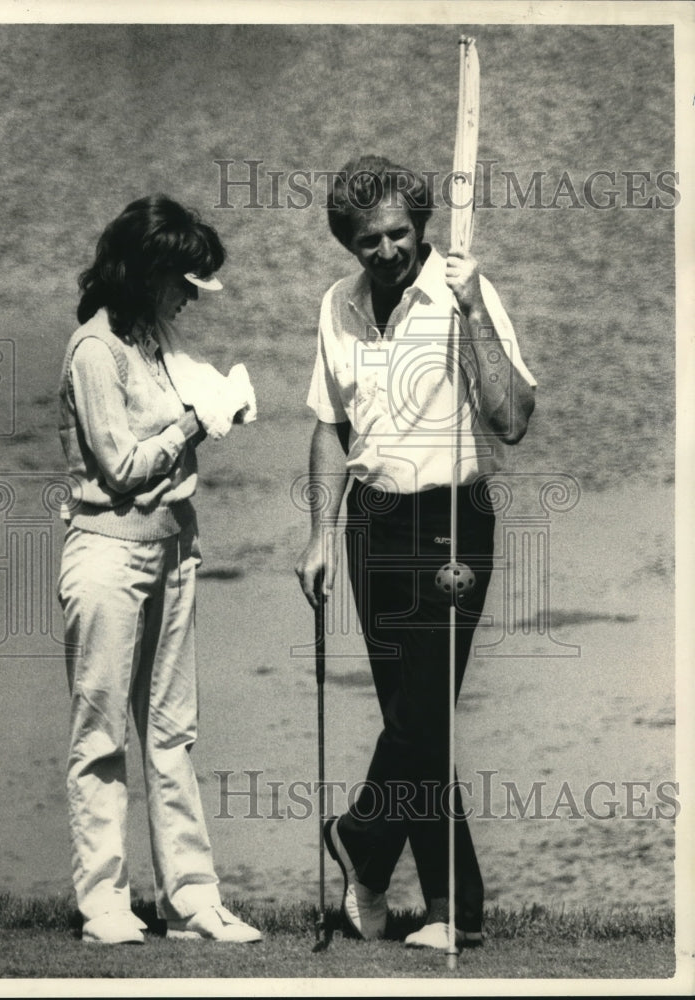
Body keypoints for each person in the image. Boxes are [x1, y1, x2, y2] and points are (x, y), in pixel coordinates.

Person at [295, 155, 537, 950]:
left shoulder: (465, 290)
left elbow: (512, 418)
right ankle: (451, 911)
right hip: (371, 524)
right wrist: (320, 535)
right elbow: (330, 425)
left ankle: (360, 840)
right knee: (417, 722)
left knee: (422, 711)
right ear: (349, 242)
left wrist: (469, 314)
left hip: (452, 523)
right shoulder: (339, 305)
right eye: (371, 239)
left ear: (422, 227)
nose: (389, 250)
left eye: (401, 233)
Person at [57, 194, 260, 946]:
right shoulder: (93, 351)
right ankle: (104, 904)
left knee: (173, 734)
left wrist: (219, 409)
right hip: (108, 554)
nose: (189, 298)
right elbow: (119, 467)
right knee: (102, 734)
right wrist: (191, 423)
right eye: (182, 281)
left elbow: (171, 449)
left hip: (175, 551)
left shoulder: (154, 337)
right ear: (146, 274)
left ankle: (192, 901)